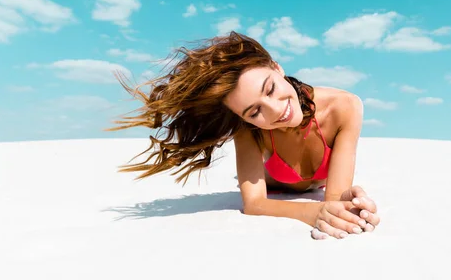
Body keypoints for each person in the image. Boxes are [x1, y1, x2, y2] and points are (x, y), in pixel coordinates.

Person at [108, 31, 380, 239]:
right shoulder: (247, 129)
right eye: (254, 112)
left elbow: (333, 200)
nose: (275, 111)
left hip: (316, 184)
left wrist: (352, 202)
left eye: (270, 89)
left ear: (277, 68)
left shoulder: (344, 107)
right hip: (274, 182)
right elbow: (254, 203)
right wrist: (313, 212)